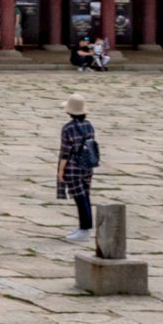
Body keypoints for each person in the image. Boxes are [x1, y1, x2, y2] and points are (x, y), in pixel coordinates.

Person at [57, 95, 99, 246]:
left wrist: (61, 171)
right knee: (85, 195)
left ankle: (84, 229)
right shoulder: (89, 125)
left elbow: (65, 151)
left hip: (73, 166)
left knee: (79, 197)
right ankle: (83, 227)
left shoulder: (68, 128)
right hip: (87, 164)